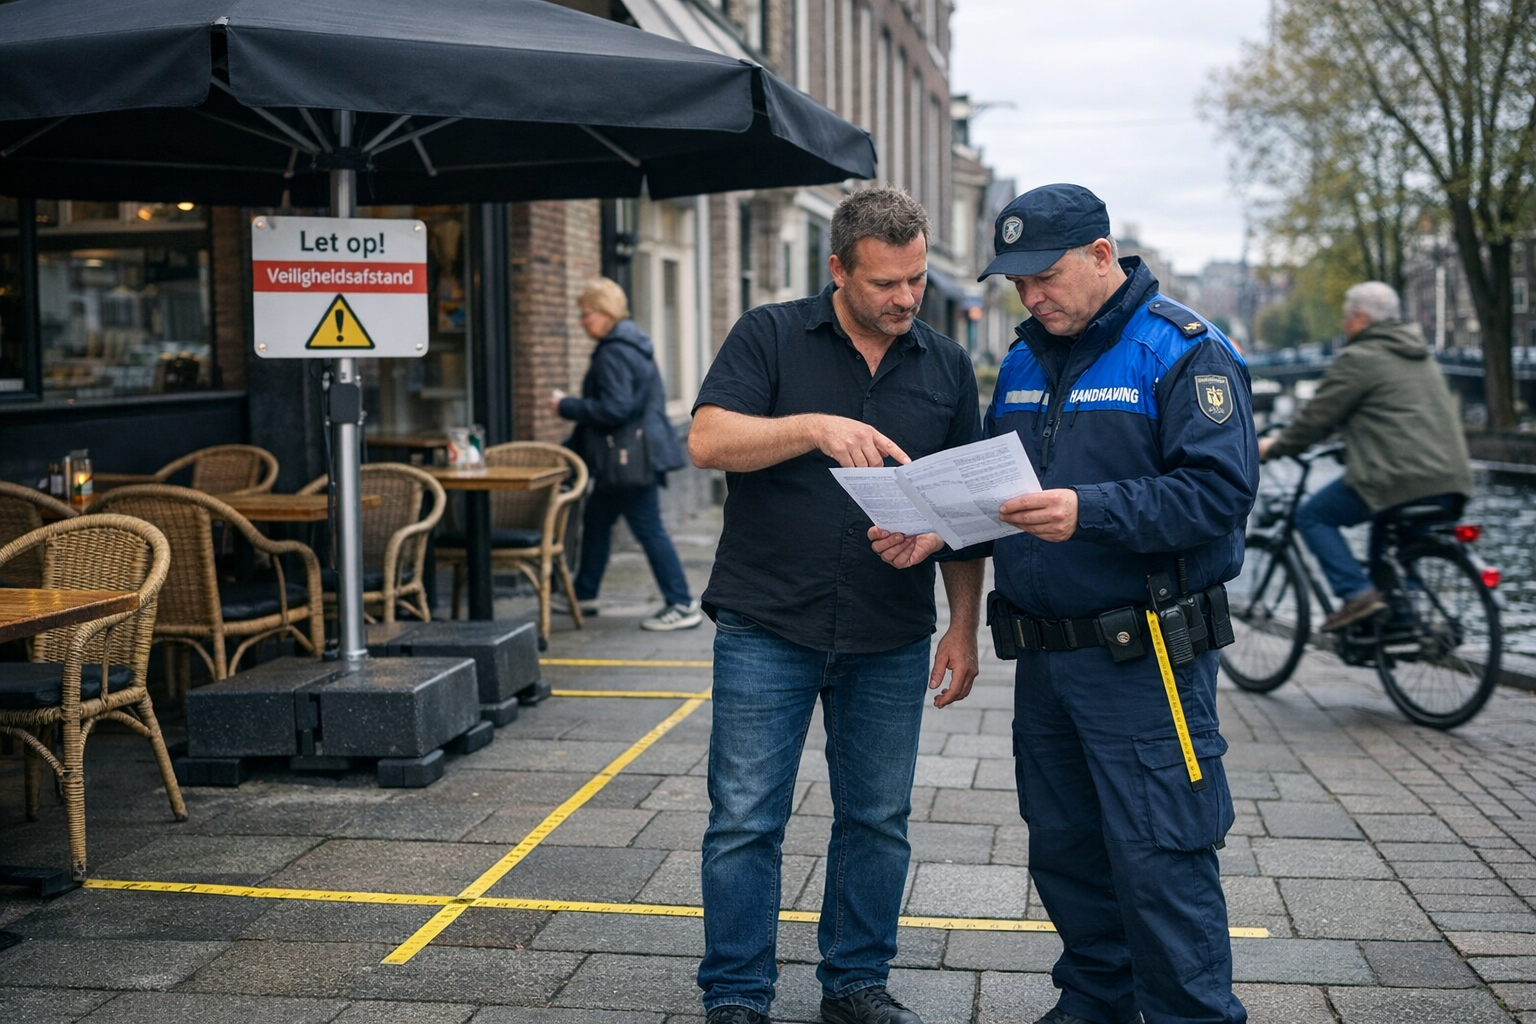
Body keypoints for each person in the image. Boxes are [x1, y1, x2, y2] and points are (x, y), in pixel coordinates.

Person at [876, 183, 1257, 1024]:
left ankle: (1193, 1016)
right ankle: (1096, 1001)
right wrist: (942, 531)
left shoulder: (1185, 351)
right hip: (1045, 657)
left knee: (1161, 854)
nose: (1032, 296)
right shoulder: (1020, 360)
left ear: (1101, 256)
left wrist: (1092, 510)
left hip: (1148, 654)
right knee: (1066, 847)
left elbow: (1218, 496)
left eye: (1045, 276)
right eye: (1017, 283)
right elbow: (996, 495)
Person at [688, 186, 986, 1024]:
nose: (906, 299)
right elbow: (708, 440)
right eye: (886, 284)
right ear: (838, 270)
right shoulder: (771, 334)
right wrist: (811, 426)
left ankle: (855, 985)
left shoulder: (946, 365)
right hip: (767, 621)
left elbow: (965, 508)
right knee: (746, 818)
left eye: (917, 280)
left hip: (890, 629)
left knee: (878, 819)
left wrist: (963, 623)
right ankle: (738, 997)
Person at [1259, 281, 1473, 631]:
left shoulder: (1360, 358)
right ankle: (1402, 622)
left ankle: (1357, 594)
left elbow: (1317, 417)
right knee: (1388, 549)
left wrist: (1274, 447)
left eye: (1345, 317)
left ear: (1359, 318)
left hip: (1400, 479)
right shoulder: (1420, 355)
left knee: (1312, 516)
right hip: (1450, 480)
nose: (1343, 324)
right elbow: (1396, 419)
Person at [551, 277, 702, 631]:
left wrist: (567, 405)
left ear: (605, 313)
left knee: (648, 529)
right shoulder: (632, 343)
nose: (582, 321)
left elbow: (616, 408)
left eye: (586, 314)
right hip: (629, 457)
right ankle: (585, 592)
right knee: (598, 521)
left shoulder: (614, 351)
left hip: (627, 460)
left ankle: (681, 603)